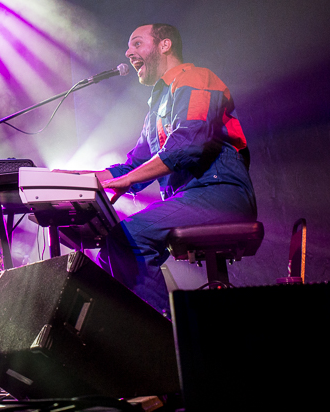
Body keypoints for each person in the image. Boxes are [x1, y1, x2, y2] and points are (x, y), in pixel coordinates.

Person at [88, 24, 257, 312]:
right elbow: (133, 166)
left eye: (137, 44)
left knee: (128, 239)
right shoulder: (157, 107)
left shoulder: (195, 78)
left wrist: (128, 180)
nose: (128, 52)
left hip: (220, 193)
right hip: (192, 198)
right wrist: (77, 180)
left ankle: (165, 337)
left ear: (164, 45)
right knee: (109, 250)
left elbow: (187, 145)